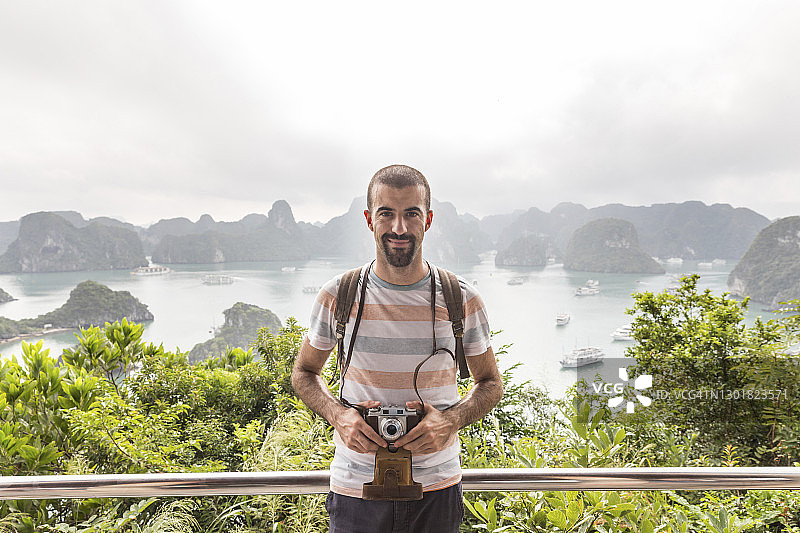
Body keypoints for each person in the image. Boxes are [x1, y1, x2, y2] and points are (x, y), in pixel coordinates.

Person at [291, 164, 503, 532]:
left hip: (436, 487)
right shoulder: (338, 296)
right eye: (387, 213)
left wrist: (450, 421)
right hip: (355, 486)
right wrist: (337, 415)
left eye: (411, 214)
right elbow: (304, 373)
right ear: (369, 219)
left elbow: (490, 383)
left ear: (429, 220)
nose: (399, 228)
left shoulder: (461, 299)